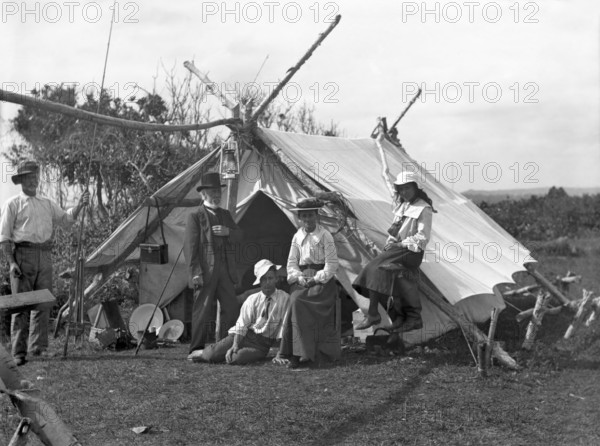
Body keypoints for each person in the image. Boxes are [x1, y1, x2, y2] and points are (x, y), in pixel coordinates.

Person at [0, 160, 89, 366]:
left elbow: (66, 220)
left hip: (45, 256)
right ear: (21, 180)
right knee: (21, 304)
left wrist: (80, 205)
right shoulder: (13, 204)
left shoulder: (46, 203)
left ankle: (38, 349)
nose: (33, 181)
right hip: (23, 255)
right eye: (28, 177)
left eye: (35, 177)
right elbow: (4, 238)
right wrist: (12, 263)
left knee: (42, 303)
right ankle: (18, 353)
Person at [353, 167, 434, 333]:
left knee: (373, 267)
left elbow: (423, 237)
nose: (404, 192)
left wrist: (400, 245)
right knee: (376, 269)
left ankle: (375, 314)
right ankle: (395, 316)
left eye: (407, 188)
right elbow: (394, 231)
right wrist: (390, 243)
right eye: (401, 189)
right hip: (399, 250)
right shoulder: (402, 207)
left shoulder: (423, 208)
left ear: (415, 188)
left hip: (412, 252)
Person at [274, 197, 339, 369]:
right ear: (299, 218)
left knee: (299, 303)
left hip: (322, 282)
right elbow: (291, 262)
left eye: (310, 215)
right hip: (302, 279)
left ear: (316, 216)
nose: (307, 220)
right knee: (294, 301)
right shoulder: (297, 236)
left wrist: (317, 278)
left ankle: (308, 353)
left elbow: (332, 264)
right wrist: (299, 277)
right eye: (304, 216)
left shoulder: (325, 235)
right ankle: (296, 353)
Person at [184, 172, 243, 357]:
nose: (216, 195)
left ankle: (224, 345)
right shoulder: (194, 216)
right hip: (205, 271)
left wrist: (228, 232)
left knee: (231, 307)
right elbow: (190, 247)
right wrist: (195, 272)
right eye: (212, 192)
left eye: (218, 191)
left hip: (225, 270)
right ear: (203, 194)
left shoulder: (225, 214)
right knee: (202, 309)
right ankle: (196, 348)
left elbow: (240, 236)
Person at [190, 259, 290, 364]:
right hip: (243, 336)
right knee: (210, 355)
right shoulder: (252, 298)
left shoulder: (285, 299)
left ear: (276, 279)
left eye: (270, 278)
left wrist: (280, 354)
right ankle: (207, 352)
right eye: (263, 279)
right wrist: (235, 345)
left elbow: (285, 327)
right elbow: (242, 324)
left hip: (261, 344)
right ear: (259, 281)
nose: (267, 282)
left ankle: (222, 355)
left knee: (236, 359)